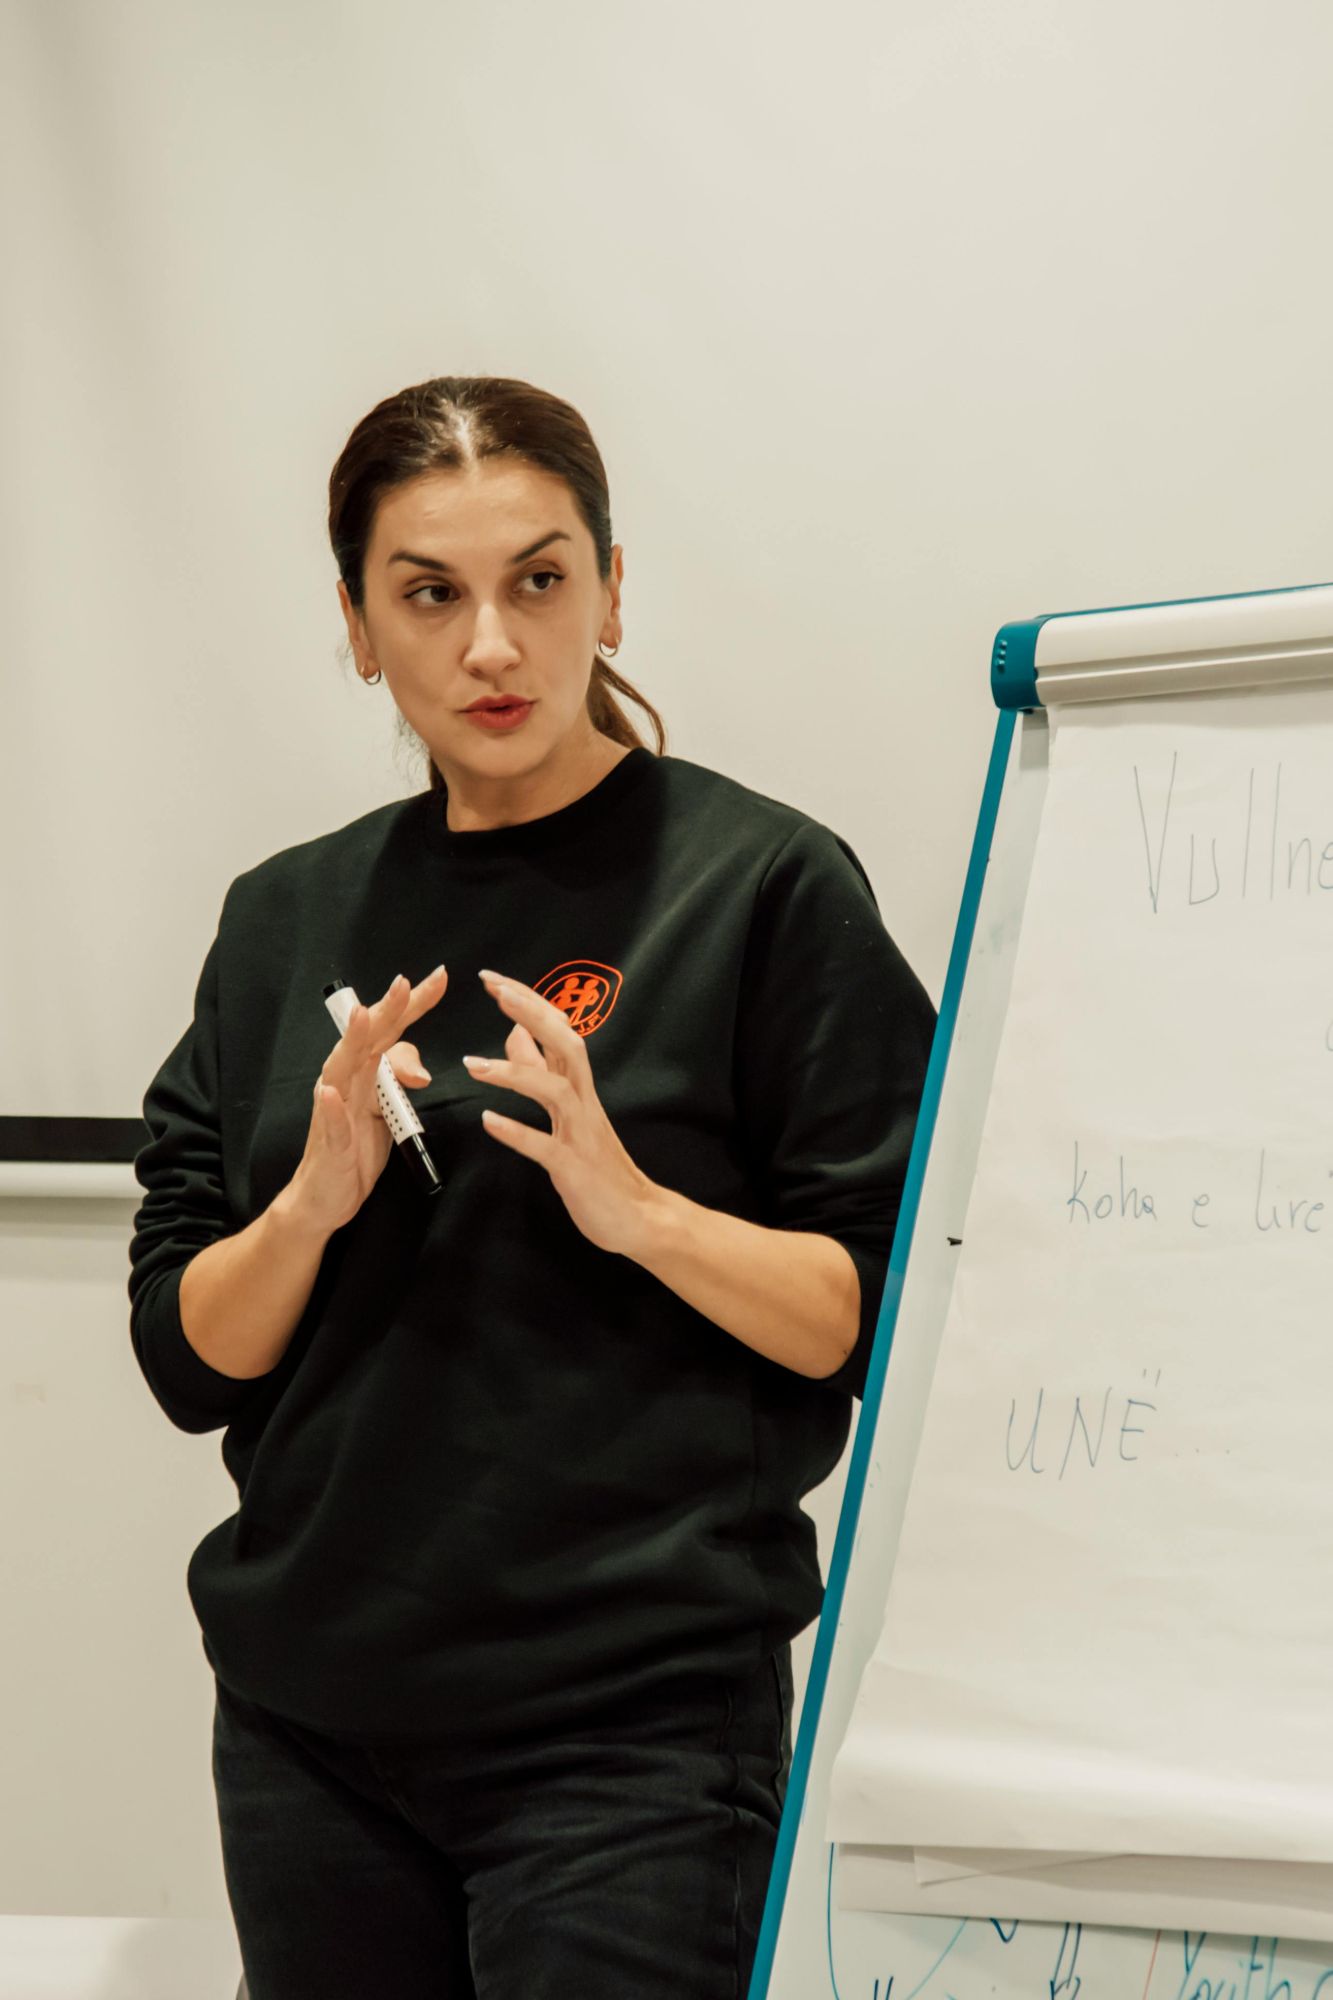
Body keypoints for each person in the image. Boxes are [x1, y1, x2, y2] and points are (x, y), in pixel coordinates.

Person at [127, 374, 937, 2000]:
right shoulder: (282, 918)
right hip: (307, 1734)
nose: (490, 646)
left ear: (612, 593)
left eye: (540, 581)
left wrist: (638, 1212)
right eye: (429, 594)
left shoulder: (759, 887)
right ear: (359, 626)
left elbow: (884, 1319)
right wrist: (310, 1207)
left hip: (629, 1745)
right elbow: (186, 1357)